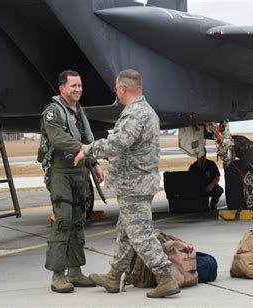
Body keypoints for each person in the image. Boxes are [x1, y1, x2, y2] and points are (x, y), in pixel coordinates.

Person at [74, 69, 180, 298]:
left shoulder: (135, 114)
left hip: (134, 184)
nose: (116, 92)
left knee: (140, 234)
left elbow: (118, 143)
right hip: (138, 182)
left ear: (122, 88)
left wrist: (88, 150)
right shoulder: (146, 111)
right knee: (126, 231)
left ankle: (165, 277)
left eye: (116, 88)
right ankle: (114, 276)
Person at [40, 70, 104, 293]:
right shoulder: (53, 112)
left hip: (79, 172)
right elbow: (58, 138)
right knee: (63, 221)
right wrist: (83, 149)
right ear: (62, 89)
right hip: (61, 172)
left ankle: (75, 272)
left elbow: (87, 138)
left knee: (78, 221)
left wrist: (94, 164)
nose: (78, 89)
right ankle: (58, 275)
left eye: (80, 85)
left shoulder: (79, 112)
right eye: (73, 86)